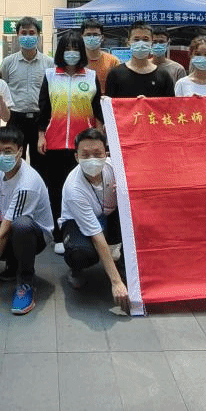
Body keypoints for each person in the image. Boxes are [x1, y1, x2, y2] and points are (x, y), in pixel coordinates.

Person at [0, 126, 54, 315]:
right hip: (8, 224)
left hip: (34, 235)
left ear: (20, 151)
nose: (1, 156)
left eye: (8, 151)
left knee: (21, 225)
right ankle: (13, 263)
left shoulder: (27, 183)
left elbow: (5, 231)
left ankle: (26, 281)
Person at [37, 30, 103, 254]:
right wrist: (41, 135)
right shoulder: (50, 75)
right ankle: (59, 235)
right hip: (55, 143)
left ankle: (85, 232)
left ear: (82, 52)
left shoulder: (91, 76)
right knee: (56, 190)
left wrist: (100, 139)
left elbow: (97, 110)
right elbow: (44, 108)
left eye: (75, 48)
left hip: (83, 146)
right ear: (60, 52)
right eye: (67, 48)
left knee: (83, 189)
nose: (72, 52)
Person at [59, 128, 130, 313]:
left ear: (106, 153)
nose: (92, 159)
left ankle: (123, 264)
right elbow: (96, 236)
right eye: (85, 154)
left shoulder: (115, 167)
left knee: (134, 223)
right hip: (77, 223)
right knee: (81, 253)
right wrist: (116, 282)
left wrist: (125, 190)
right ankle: (76, 269)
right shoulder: (74, 188)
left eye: (97, 154)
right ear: (76, 157)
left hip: (109, 215)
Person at [0, 17, 54, 169]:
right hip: (16, 119)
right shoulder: (8, 63)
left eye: (32, 33)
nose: (28, 36)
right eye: (24, 33)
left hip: (40, 120)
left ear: (38, 35)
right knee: (15, 162)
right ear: (18, 35)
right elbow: (2, 88)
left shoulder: (49, 63)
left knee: (41, 164)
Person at [104, 21, 175, 98]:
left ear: (152, 43)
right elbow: (109, 103)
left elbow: (170, 104)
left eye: (145, 39)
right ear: (128, 43)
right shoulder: (115, 74)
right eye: (136, 39)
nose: (141, 43)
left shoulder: (163, 75)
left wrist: (146, 103)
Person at [81, 18, 120, 92]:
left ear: (102, 37)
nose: (92, 38)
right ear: (82, 37)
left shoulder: (113, 61)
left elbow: (119, 85)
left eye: (95, 34)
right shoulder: (77, 60)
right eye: (88, 35)